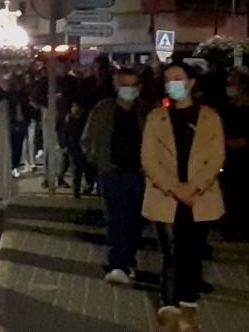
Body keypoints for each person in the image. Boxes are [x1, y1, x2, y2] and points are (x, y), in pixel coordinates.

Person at [141, 62, 225, 332]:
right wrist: (174, 188)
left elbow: (216, 157)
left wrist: (194, 188)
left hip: (201, 198)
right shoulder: (156, 118)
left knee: (193, 254)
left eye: (178, 79)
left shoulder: (210, 117)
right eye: (168, 80)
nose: (172, 84)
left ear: (191, 83)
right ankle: (169, 312)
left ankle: (188, 312)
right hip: (165, 196)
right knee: (171, 254)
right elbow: (149, 159)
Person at [81, 68, 147, 285]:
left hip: (139, 174)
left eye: (134, 85)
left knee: (135, 220)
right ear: (117, 86)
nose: (130, 90)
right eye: (125, 85)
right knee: (117, 220)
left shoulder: (144, 111)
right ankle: (118, 264)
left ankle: (128, 260)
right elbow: (88, 140)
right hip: (112, 173)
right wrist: (99, 162)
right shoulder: (104, 110)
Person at [221, 69, 249, 239]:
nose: (229, 87)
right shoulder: (229, 108)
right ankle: (231, 228)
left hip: (244, 161)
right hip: (231, 161)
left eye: (233, 84)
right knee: (231, 195)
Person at [61, 101, 96, 197]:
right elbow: (65, 134)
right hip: (74, 149)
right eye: (74, 107)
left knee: (88, 170)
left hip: (84, 149)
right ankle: (76, 191)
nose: (76, 109)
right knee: (76, 171)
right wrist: (66, 146)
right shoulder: (69, 120)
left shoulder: (86, 121)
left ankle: (88, 188)